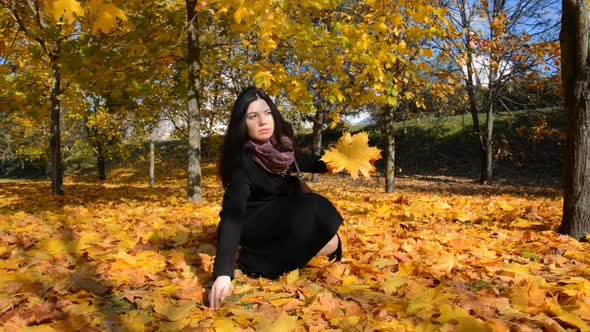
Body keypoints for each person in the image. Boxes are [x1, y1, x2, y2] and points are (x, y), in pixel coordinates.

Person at [208, 86, 343, 308]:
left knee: (331, 240)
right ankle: (264, 257)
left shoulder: (280, 148)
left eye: (267, 113)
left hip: (281, 214)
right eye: (253, 116)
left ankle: (293, 249)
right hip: (257, 223)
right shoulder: (242, 163)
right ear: (243, 123)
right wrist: (223, 272)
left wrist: (340, 162)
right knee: (312, 208)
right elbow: (232, 217)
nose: (263, 121)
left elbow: (308, 162)